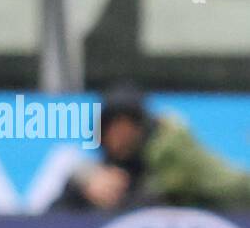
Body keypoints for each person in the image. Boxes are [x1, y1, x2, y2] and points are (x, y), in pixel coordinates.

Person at [50, 84, 250, 213]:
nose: (121, 136)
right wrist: (80, 184)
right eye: (113, 127)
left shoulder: (175, 174)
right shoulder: (93, 180)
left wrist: (182, 150)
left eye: (130, 127)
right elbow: (48, 225)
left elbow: (233, 188)